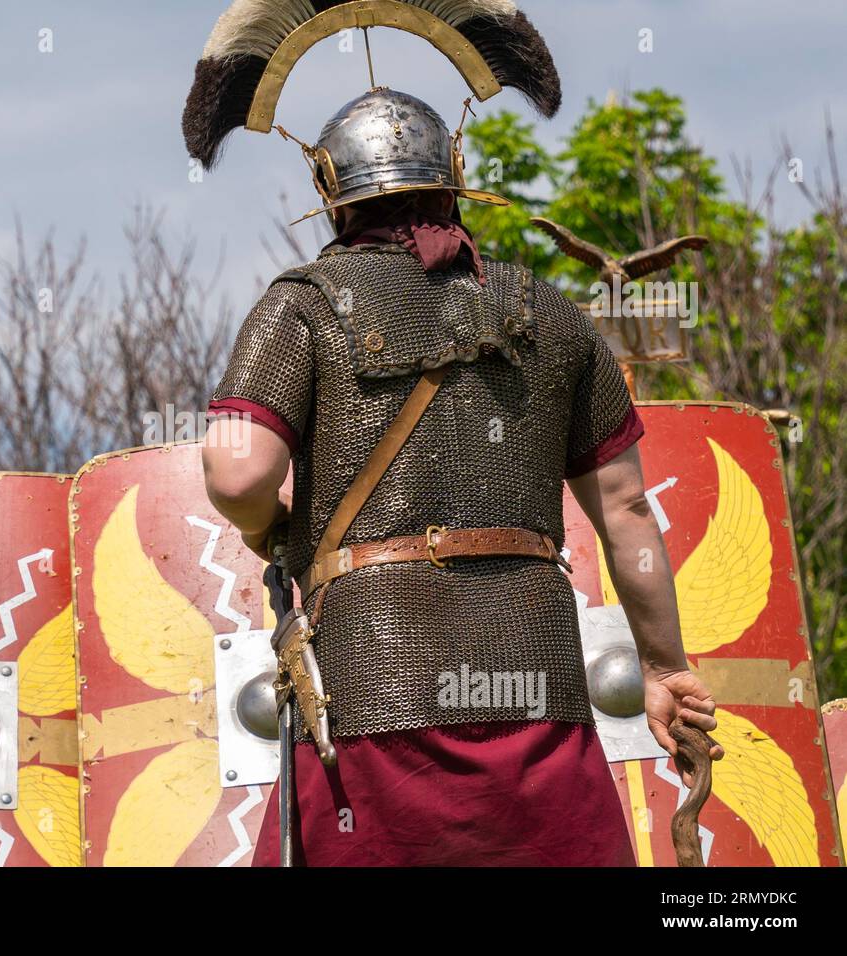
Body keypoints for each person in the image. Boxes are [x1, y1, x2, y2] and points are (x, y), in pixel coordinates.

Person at [201, 89, 723, 867]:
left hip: (373, 695)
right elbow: (627, 509)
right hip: (535, 699)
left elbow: (237, 470)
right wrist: (662, 666)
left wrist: (266, 533)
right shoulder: (555, 316)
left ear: (330, 194)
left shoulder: (304, 307)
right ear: (455, 177)